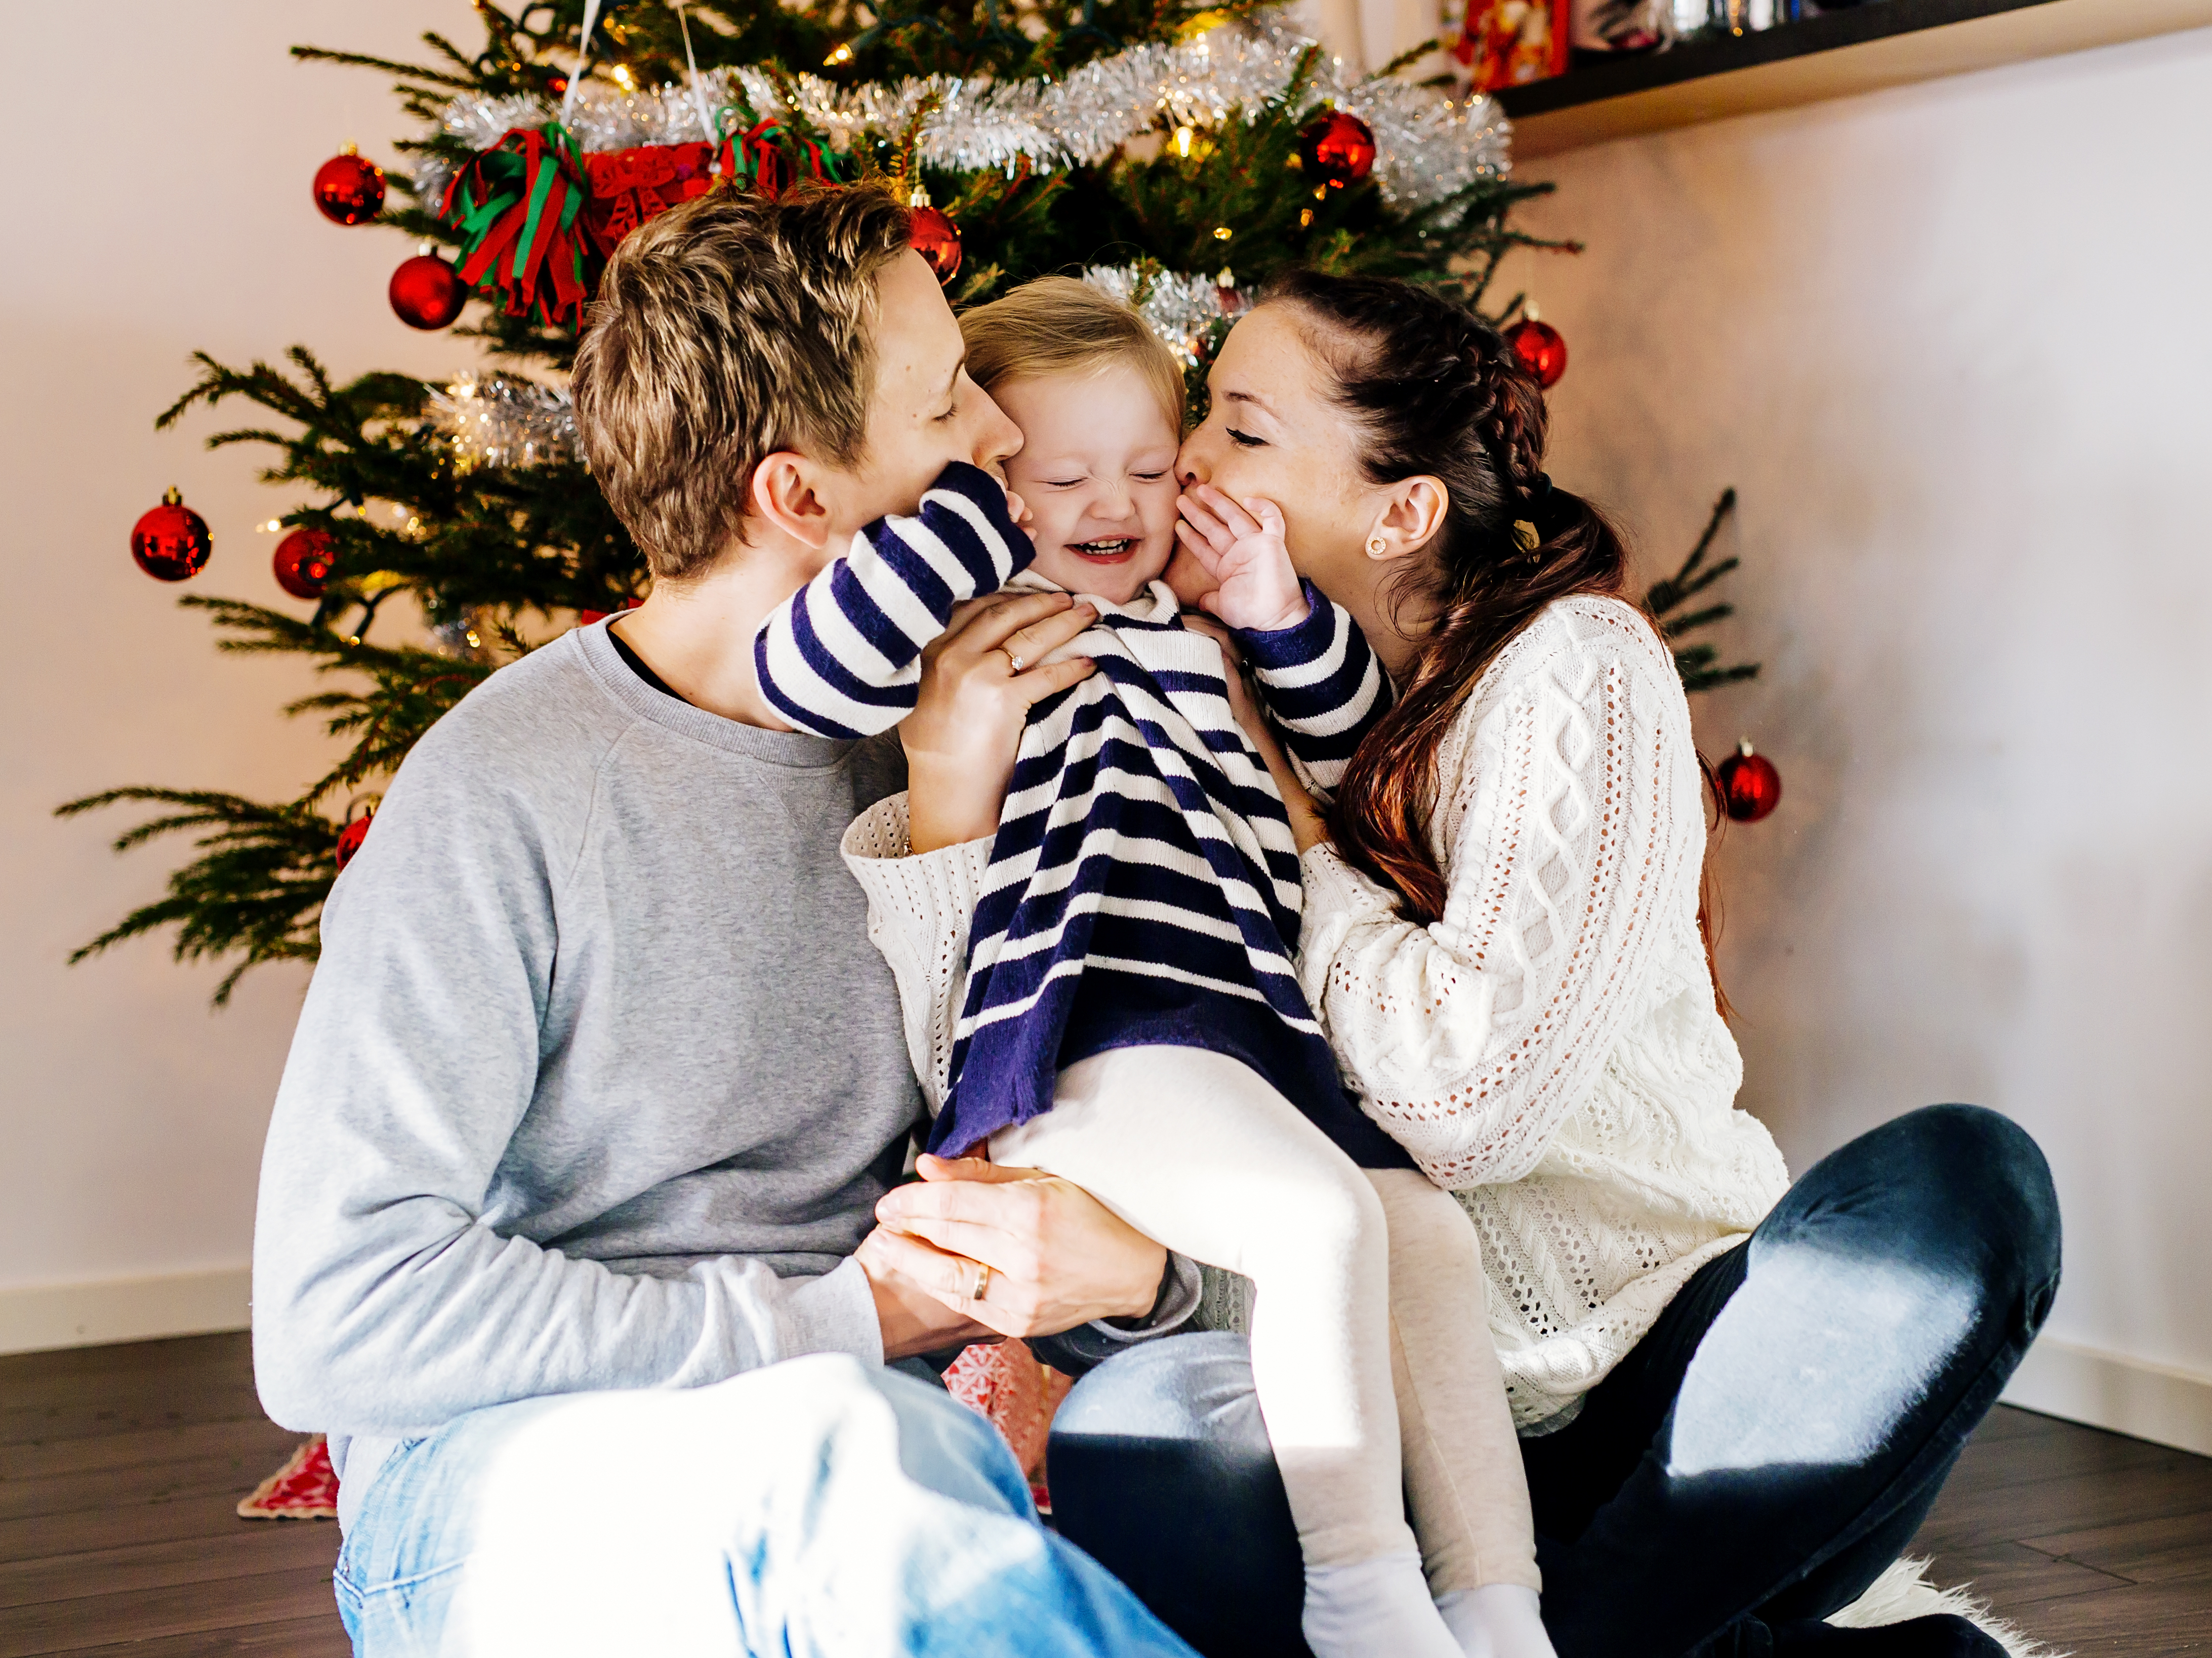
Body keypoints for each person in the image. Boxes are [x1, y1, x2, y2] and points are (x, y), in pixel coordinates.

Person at [882, 271, 2062, 1658]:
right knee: (1145, 1440)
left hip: (1670, 1377)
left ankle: (1572, 1624)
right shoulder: (1132, 670)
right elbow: (1024, 1042)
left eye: (1242, 433)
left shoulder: (1575, 666)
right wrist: (943, 788)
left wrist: (1303, 831)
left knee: (1962, 1189)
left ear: (1401, 512)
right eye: (1198, 418)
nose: (1183, 464)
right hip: (1386, 1390)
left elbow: (1462, 1105)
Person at [248, 185, 1206, 1658]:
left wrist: (1144, 1283)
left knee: (923, 1464)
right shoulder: (508, 789)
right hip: (510, 1483)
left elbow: (1118, 1104)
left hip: (887, 1459)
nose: (1005, 440)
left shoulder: (976, 724)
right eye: (947, 402)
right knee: (839, 1451)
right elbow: (338, 1316)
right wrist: (840, 1326)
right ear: (801, 498)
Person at [767, 277, 1551, 1658]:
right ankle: (1361, 1592)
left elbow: (1350, 748)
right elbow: (807, 671)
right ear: (999, 480)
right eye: (1061, 474)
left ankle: (1498, 1613)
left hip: (1237, 1029)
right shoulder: (987, 627)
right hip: (1092, 1038)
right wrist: (960, 519)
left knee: (1418, 1229)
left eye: (1147, 464)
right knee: (1320, 1229)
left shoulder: (1199, 633)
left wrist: (1275, 610)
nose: (1111, 502)